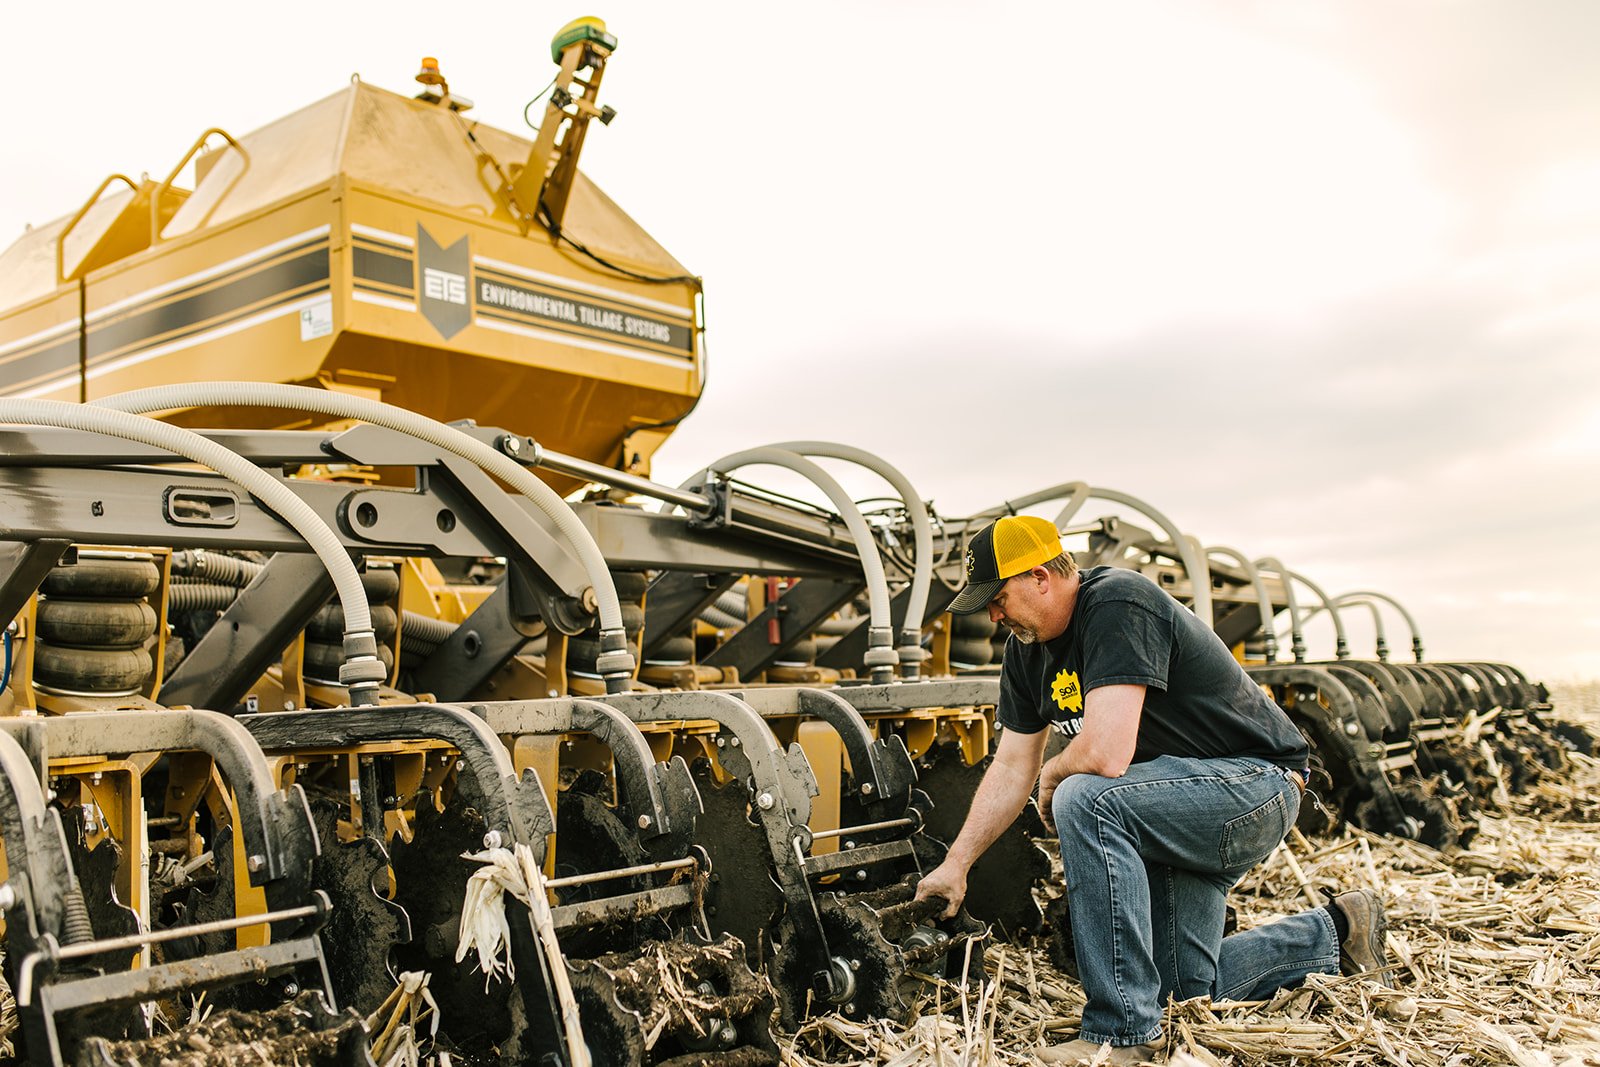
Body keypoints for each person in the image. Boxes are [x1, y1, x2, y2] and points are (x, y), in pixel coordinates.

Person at [914, 515, 1391, 1065]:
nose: (993, 616)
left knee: (1083, 796)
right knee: (1178, 993)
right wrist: (958, 864)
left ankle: (1121, 1034)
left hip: (1252, 786)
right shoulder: (1027, 652)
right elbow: (1011, 765)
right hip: (1169, 805)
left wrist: (1052, 777)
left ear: (1041, 577)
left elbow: (1105, 753)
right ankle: (1336, 933)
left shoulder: (1117, 603)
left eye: (996, 598)